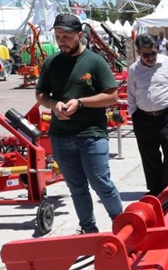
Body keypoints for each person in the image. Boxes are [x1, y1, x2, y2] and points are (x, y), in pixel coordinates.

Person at [35, 13, 123, 234]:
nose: (61, 41)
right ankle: (88, 230)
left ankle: (122, 224)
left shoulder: (95, 61)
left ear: (80, 36)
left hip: (91, 134)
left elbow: (111, 97)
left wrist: (80, 103)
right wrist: (54, 104)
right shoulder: (51, 63)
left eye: (66, 36)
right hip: (61, 135)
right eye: (57, 36)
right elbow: (40, 95)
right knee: (76, 188)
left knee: (101, 184)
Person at [128, 33, 168, 196]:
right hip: (143, 118)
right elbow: (131, 95)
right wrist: (134, 115)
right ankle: (156, 191)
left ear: (157, 48)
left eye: (153, 53)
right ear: (138, 53)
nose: (150, 57)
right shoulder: (134, 70)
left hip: (167, 115)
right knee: (149, 156)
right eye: (145, 55)